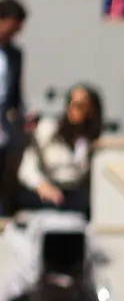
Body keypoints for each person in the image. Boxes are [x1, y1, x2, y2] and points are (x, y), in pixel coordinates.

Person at [17, 83, 100, 215]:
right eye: (71, 104)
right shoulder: (48, 130)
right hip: (44, 191)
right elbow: (27, 168)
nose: (74, 110)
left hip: (74, 195)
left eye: (80, 106)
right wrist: (42, 186)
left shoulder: (89, 141)